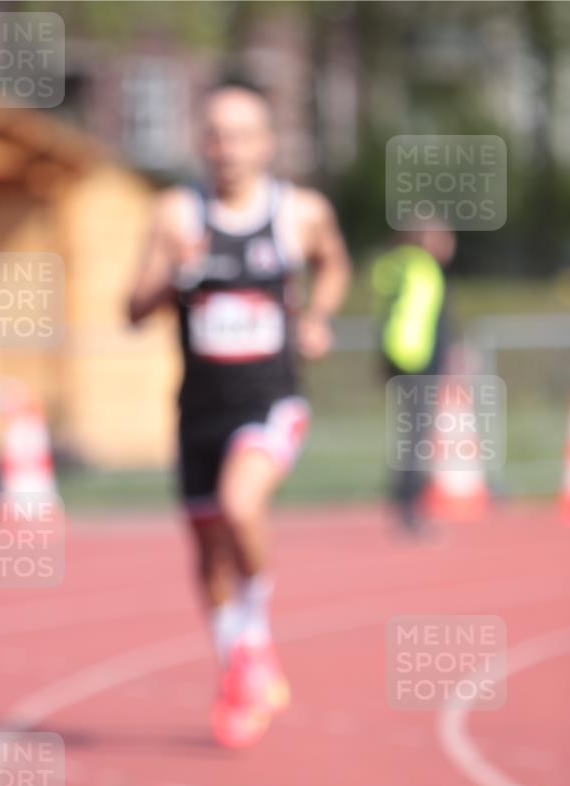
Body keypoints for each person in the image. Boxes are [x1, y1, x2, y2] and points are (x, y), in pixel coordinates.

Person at [128, 80, 351, 748]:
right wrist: (174, 274)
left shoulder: (297, 212)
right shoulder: (175, 215)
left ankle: (252, 639)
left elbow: (333, 264)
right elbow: (131, 311)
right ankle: (240, 669)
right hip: (198, 410)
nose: (227, 149)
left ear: (265, 142)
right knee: (206, 554)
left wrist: (316, 315)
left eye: (241, 134)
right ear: (203, 142)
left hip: (270, 400)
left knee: (241, 507)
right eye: (216, 135)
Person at [370, 222, 456, 533]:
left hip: (394, 355)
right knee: (417, 437)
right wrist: (444, 356)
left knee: (411, 435)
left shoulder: (393, 263)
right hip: (417, 358)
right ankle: (409, 507)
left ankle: (403, 498)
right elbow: (430, 320)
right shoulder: (423, 268)